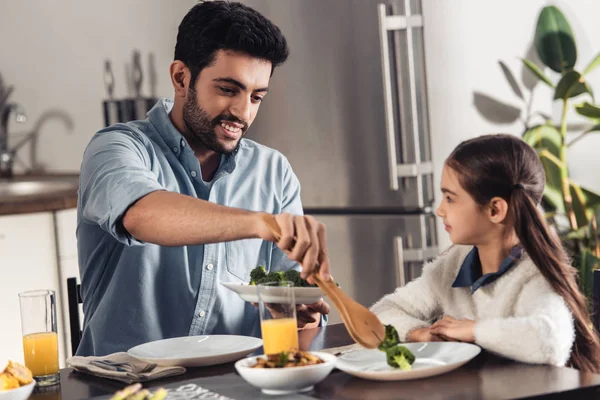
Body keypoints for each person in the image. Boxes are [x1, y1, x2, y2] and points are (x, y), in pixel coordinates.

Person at [76, 1, 330, 356]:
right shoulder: (116, 148)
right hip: (125, 386)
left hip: (238, 385)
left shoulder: (274, 172)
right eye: (228, 90)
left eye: (256, 97)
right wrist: (260, 223)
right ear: (182, 78)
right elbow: (143, 215)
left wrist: (301, 313)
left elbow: (293, 324)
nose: (243, 112)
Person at [371, 134, 600, 372]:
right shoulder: (454, 264)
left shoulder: (534, 274)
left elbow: (550, 340)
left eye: (450, 199)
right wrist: (418, 333)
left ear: (495, 210)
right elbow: (383, 311)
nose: (439, 210)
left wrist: (474, 330)